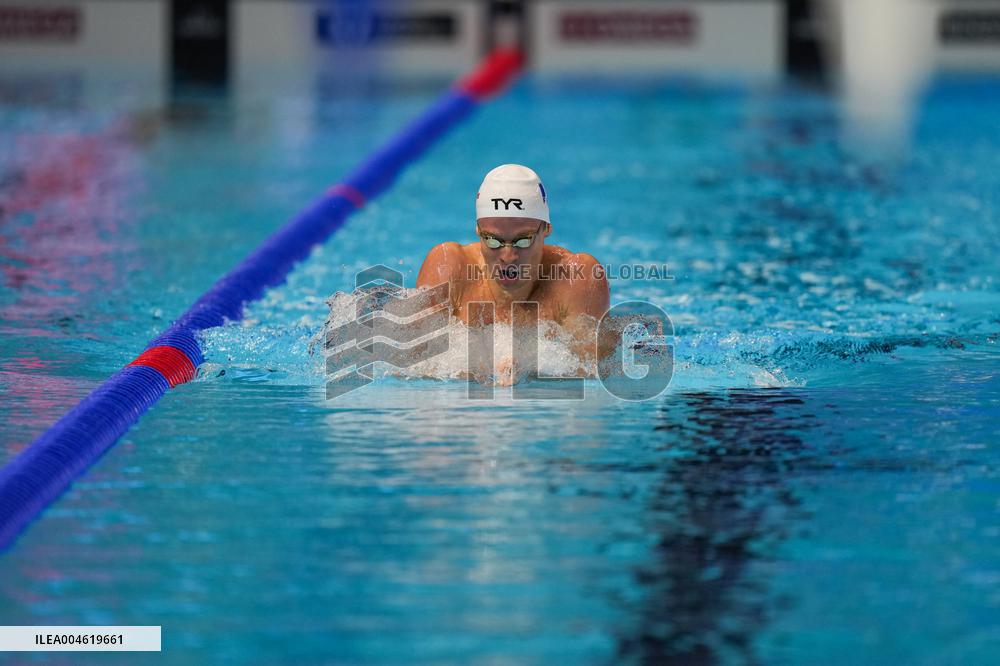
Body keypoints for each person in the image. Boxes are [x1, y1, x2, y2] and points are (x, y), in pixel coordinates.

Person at [416, 164, 610, 383]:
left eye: (523, 240)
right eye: (493, 240)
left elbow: (591, 374)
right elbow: (414, 365)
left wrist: (531, 373)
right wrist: (476, 371)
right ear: (478, 230)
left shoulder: (577, 277)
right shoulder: (448, 267)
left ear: (546, 228)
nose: (508, 256)